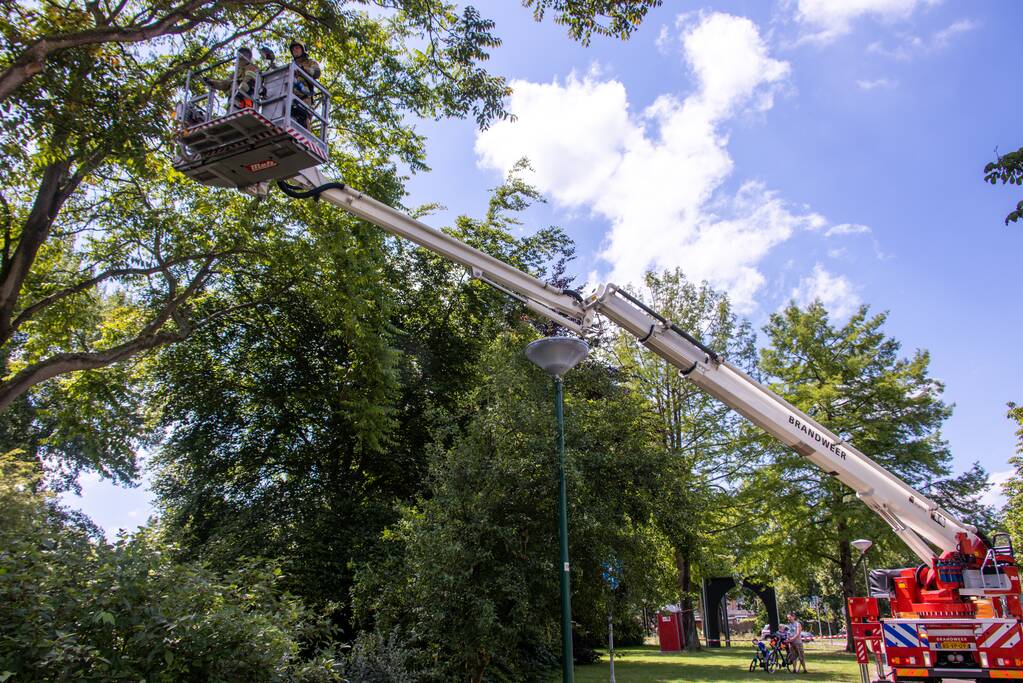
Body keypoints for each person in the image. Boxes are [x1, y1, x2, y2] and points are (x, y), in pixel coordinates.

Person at [205, 47, 258, 111]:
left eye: (245, 54)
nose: (242, 56)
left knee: (236, 85)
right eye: (241, 54)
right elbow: (224, 84)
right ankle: (232, 108)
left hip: (248, 98)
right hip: (234, 99)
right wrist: (211, 82)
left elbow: (249, 79)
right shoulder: (235, 73)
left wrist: (235, 83)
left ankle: (235, 106)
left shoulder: (252, 67)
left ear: (249, 57)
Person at [288, 40, 321, 128]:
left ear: (303, 50)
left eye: (297, 48)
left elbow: (317, 72)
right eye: (293, 49)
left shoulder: (310, 62)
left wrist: (304, 70)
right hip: (290, 97)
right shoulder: (291, 65)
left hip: (304, 98)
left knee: (303, 120)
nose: (295, 50)